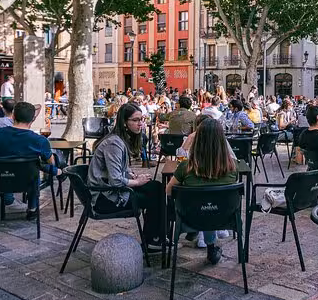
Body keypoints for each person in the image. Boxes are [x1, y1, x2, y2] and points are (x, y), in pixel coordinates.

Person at [88, 103, 164, 251]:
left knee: (157, 187)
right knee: (156, 198)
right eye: (135, 120)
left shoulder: (119, 140)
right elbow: (115, 181)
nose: (140, 123)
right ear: (124, 122)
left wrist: (132, 174)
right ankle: (153, 240)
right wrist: (136, 181)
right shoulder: (114, 143)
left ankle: (157, 236)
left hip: (110, 191)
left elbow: (117, 170)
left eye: (141, 119)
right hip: (106, 198)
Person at [166, 118, 236, 263]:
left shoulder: (185, 167)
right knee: (211, 205)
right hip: (223, 217)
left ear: (197, 140)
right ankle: (211, 248)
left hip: (190, 217)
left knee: (203, 206)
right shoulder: (232, 167)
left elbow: (168, 191)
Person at [0, 102, 62, 218]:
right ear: (33, 119)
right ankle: (32, 208)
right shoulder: (39, 140)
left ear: (13, 116)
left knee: (30, 166)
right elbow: (51, 162)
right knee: (35, 167)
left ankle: (9, 201)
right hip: (27, 183)